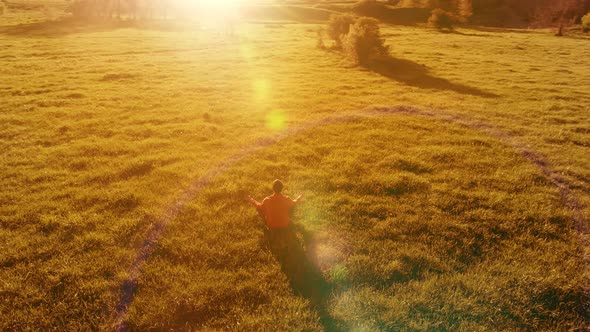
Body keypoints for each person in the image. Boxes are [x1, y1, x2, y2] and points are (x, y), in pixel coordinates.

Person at [247, 179, 303, 258]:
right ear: (282, 188)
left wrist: (251, 200)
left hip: (271, 225)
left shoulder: (267, 200)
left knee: (262, 210)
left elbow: (259, 206)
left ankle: (267, 229)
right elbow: (294, 202)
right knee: (291, 208)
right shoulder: (286, 199)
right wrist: (300, 197)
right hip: (285, 224)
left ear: (273, 188)